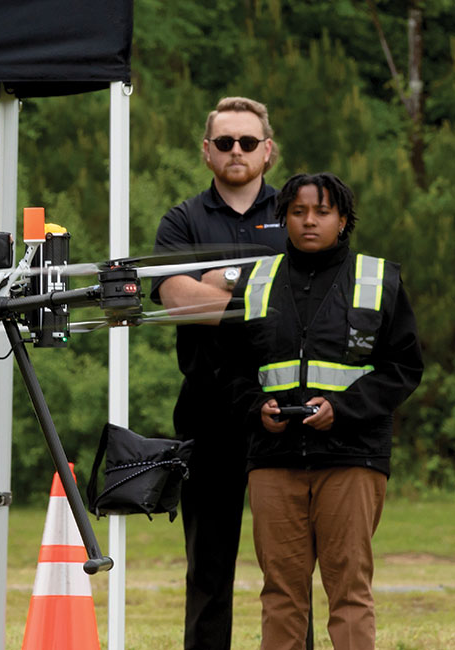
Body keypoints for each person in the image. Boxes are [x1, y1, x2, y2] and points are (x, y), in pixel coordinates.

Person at [222, 172, 423, 649]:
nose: (309, 221)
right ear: (283, 218)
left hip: (353, 458)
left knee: (349, 593)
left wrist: (345, 409)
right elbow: (226, 369)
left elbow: (404, 368)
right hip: (273, 460)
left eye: (322, 211)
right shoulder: (255, 281)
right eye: (298, 211)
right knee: (281, 594)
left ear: (343, 220)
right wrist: (256, 408)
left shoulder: (379, 279)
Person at [151, 96, 289, 650]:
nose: (237, 151)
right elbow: (181, 304)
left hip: (284, 405)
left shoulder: (301, 209)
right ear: (207, 152)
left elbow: (308, 299)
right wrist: (258, 276)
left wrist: (219, 278)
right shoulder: (182, 219)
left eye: (248, 142)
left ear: (267, 151)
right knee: (208, 566)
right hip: (207, 407)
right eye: (225, 142)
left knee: (289, 564)